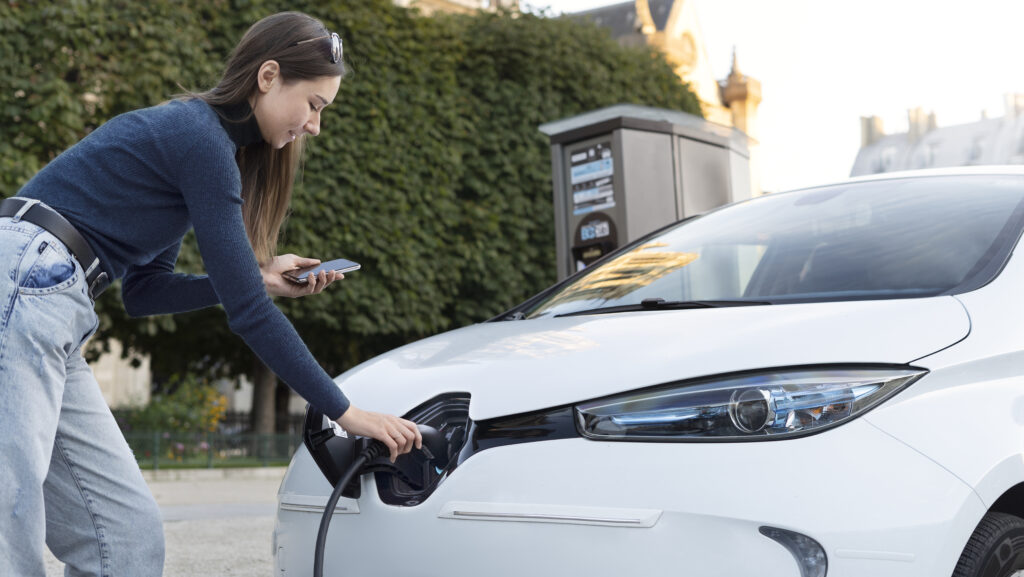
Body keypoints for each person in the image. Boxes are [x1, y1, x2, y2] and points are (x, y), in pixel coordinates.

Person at [0, 11, 422, 576]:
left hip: (54, 303)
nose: (316, 126)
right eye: (315, 105)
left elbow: (145, 293)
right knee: (10, 524)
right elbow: (249, 314)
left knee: (126, 537)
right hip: (24, 279)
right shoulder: (197, 136)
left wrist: (259, 278)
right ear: (268, 76)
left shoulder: (200, 149)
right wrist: (346, 413)